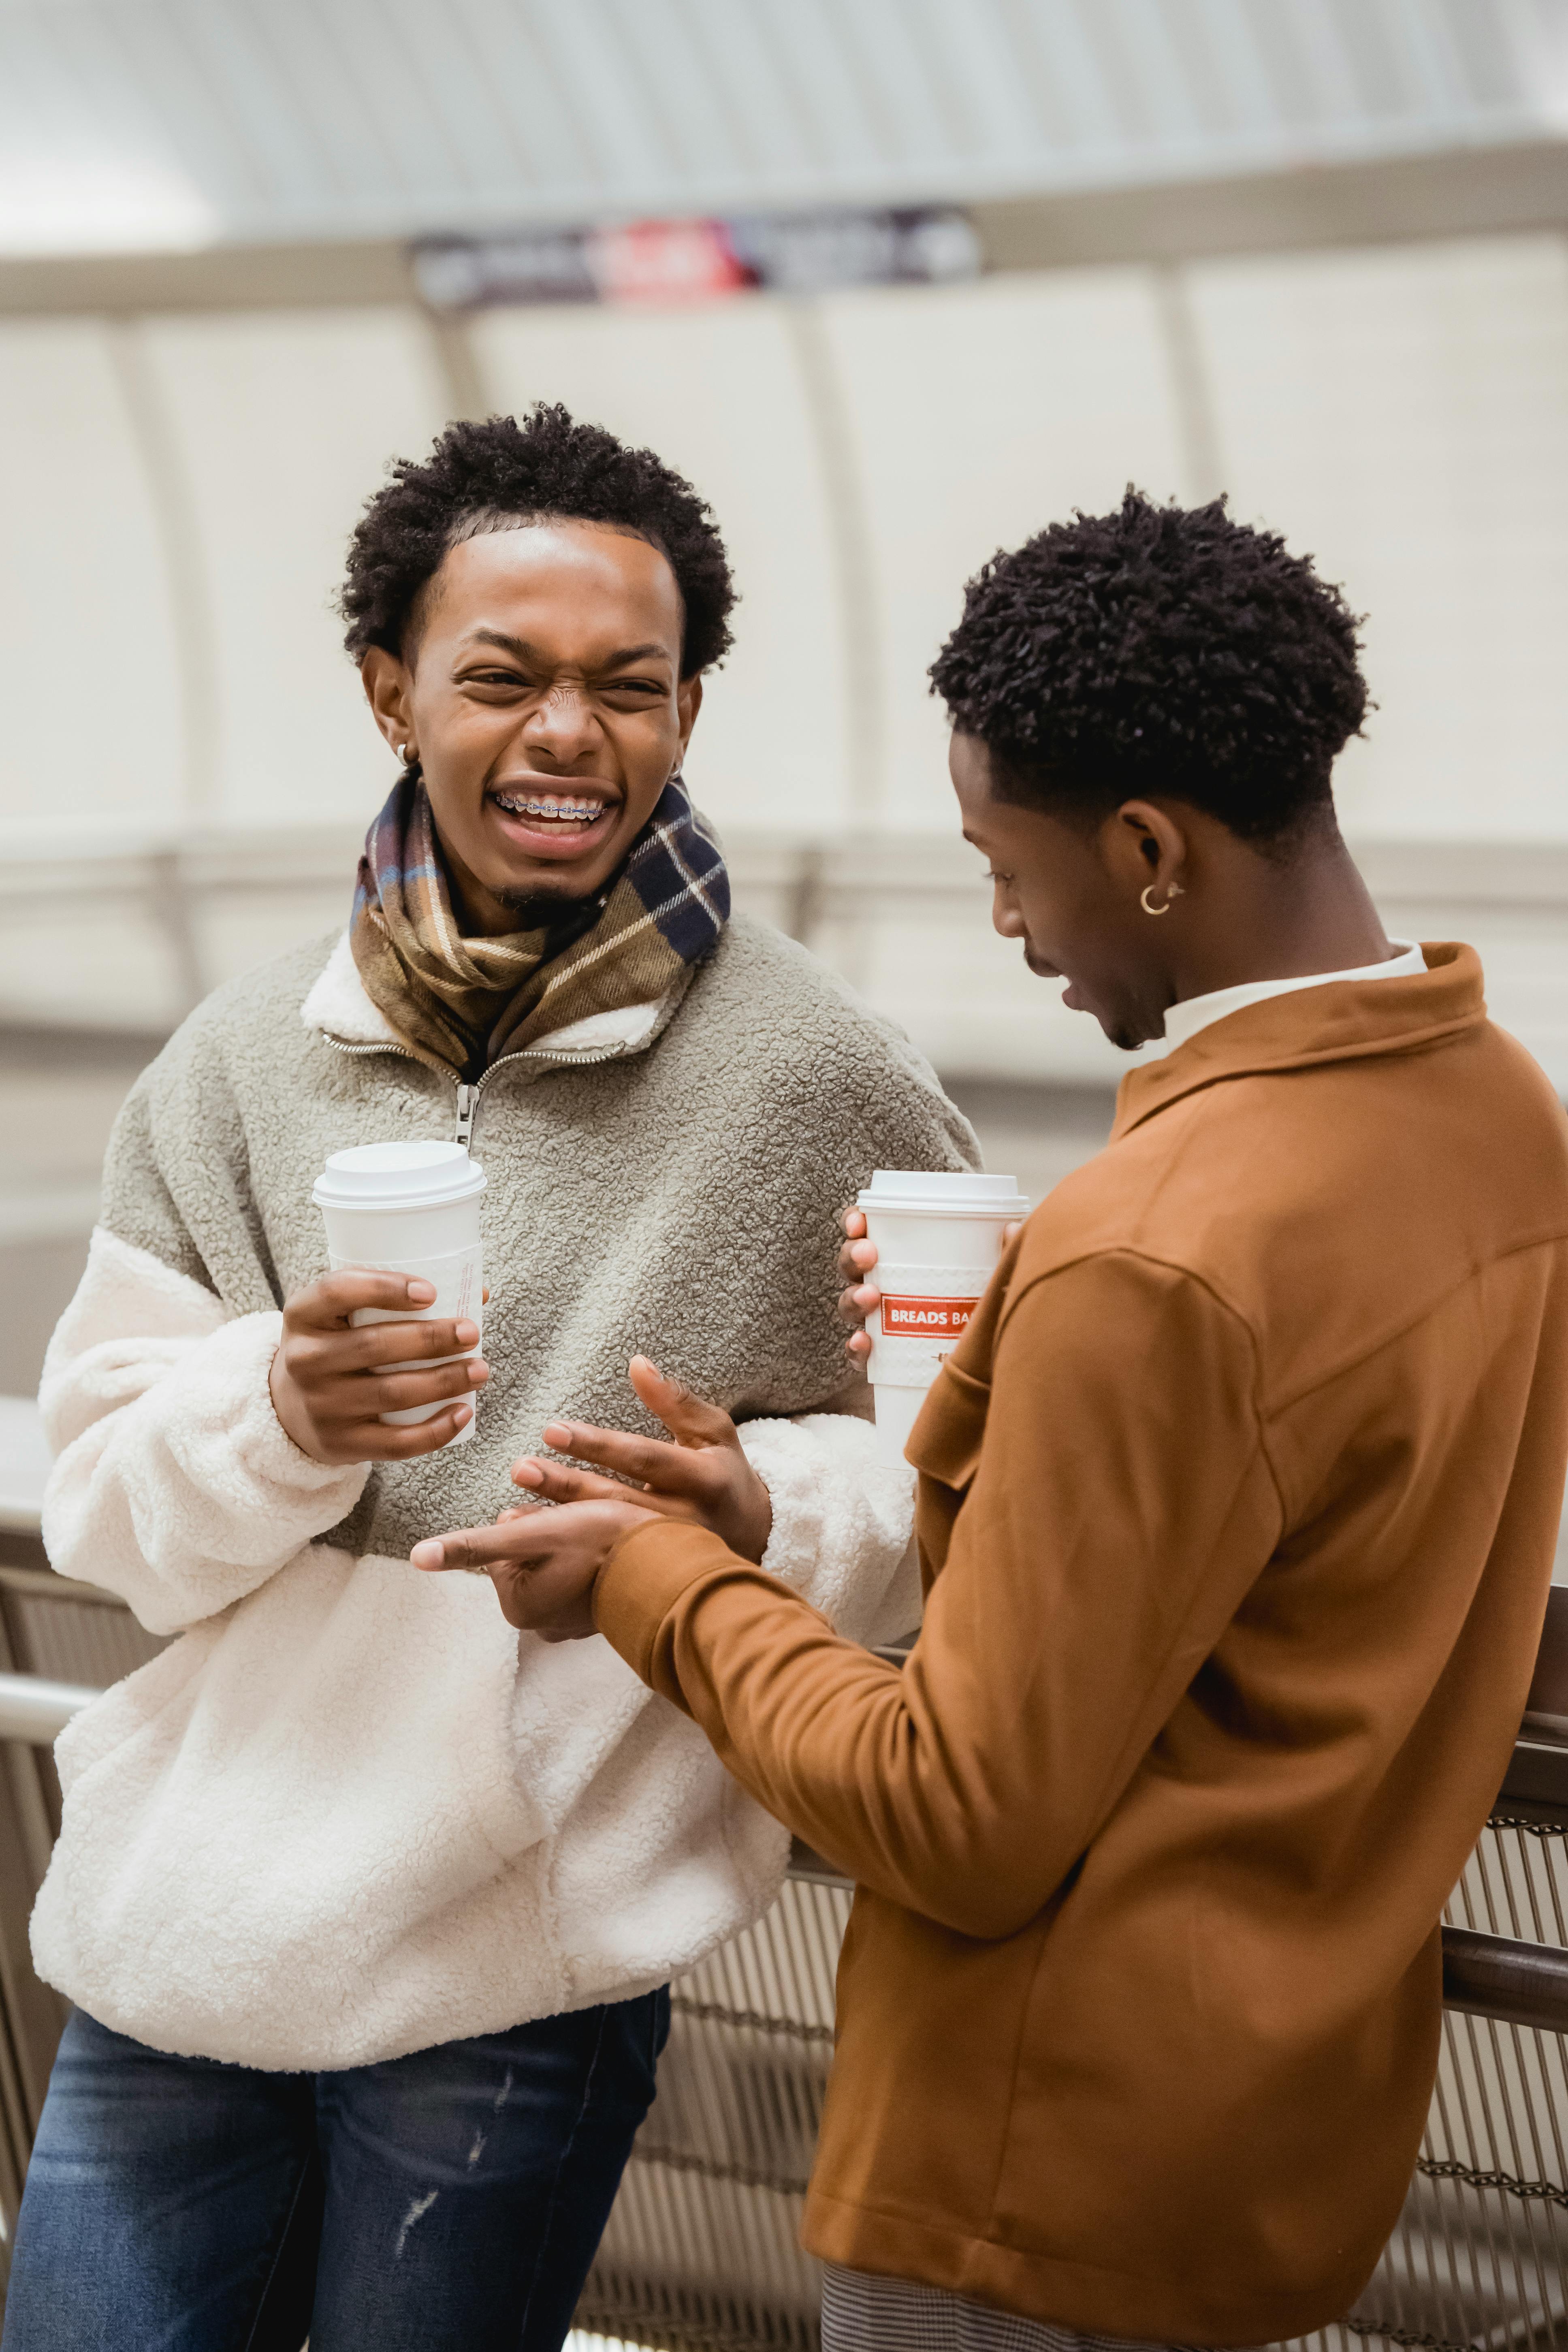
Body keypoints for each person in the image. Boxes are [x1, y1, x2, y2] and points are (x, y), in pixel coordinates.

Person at [415, 491, 1568, 2350]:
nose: (1012, 922)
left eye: (1004, 863)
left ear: (1143, 847)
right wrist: (843, 1465)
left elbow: (957, 1816)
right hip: (1284, 2142)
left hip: (1026, 2189)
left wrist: (654, 1582)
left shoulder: (1155, 1251)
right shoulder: (1491, 1110)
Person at [8, 405, 975, 2352]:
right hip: (167, 1956)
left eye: (629, 685)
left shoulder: (820, 1078)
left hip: (510, 1977)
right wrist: (275, 1416)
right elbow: (109, 1509)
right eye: (502, 678)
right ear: (390, 693)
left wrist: (758, 1511)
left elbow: (960, 1476)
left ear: (687, 714)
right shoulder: (230, 1063)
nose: (568, 734)